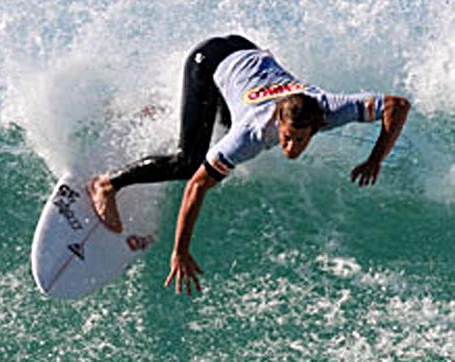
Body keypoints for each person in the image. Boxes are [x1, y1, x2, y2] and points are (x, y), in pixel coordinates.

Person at [87, 35, 411, 296]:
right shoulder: (253, 133)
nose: (291, 147)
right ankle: (107, 184)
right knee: (189, 161)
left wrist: (375, 159)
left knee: (222, 121)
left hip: (245, 52)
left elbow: (396, 106)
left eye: (300, 139)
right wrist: (180, 250)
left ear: (315, 126)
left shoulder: (326, 108)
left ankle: (167, 112)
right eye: (286, 137)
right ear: (278, 122)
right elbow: (197, 185)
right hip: (208, 60)